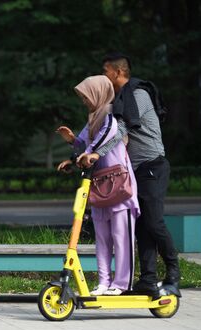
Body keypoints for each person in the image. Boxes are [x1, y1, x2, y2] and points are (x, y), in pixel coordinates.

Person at [79, 53, 181, 297]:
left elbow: (123, 127)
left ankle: (174, 272)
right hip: (135, 170)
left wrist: (97, 153)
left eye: (106, 71)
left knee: (154, 222)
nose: (104, 76)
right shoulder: (119, 99)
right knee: (142, 226)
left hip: (152, 165)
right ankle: (147, 279)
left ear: (117, 72)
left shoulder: (137, 94)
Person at [56, 75, 140, 296]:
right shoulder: (93, 117)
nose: (84, 101)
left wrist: (87, 153)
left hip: (119, 186)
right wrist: (72, 143)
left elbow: (100, 142)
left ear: (98, 93)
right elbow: (84, 144)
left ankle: (121, 284)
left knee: (122, 237)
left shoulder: (111, 114)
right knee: (102, 238)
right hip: (99, 185)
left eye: (86, 96)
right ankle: (104, 282)